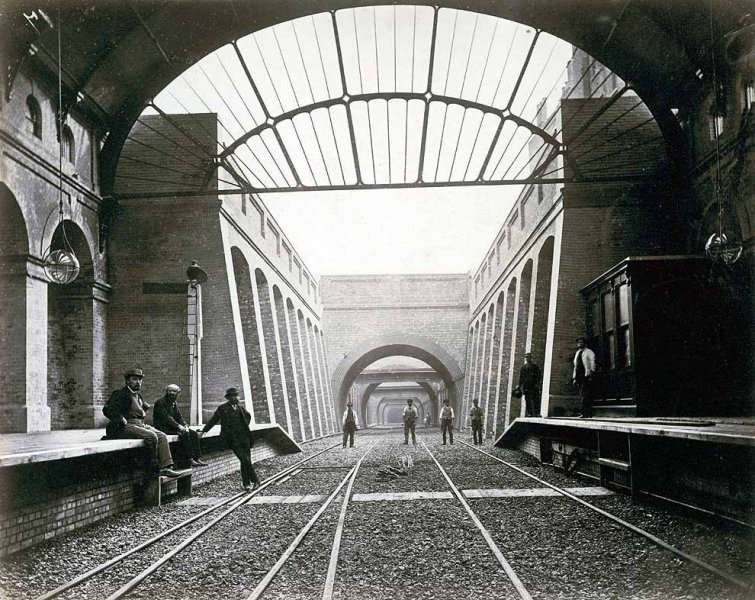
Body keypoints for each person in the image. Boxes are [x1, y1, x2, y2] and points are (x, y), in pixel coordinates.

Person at [103, 368, 181, 477]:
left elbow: (137, 412)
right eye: (134, 379)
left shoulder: (138, 396)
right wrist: (120, 418)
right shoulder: (121, 394)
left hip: (139, 424)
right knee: (151, 436)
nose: (138, 382)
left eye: (140, 380)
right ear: (127, 381)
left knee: (162, 436)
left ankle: (166, 467)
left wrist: (143, 410)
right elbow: (107, 409)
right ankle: (152, 467)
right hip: (125, 426)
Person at [202, 387, 259, 491]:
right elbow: (214, 420)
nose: (236, 398)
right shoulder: (222, 408)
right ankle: (255, 480)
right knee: (244, 459)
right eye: (233, 396)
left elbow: (248, 416)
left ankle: (246, 484)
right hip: (233, 440)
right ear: (228, 398)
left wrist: (245, 425)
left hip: (245, 438)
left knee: (245, 461)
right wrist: (204, 430)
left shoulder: (240, 408)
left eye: (237, 395)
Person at [153, 384, 206, 468]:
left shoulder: (174, 403)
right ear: (166, 392)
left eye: (174, 391)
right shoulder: (160, 403)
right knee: (183, 433)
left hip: (172, 427)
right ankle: (190, 458)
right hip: (163, 428)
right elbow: (167, 418)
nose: (171, 393)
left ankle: (197, 457)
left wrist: (185, 425)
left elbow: (179, 417)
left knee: (194, 434)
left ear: (177, 393)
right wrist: (179, 426)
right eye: (169, 391)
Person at [572, 337, 596, 418]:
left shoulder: (589, 352)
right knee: (582, 394)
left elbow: (592, 363)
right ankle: (586, 412)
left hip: (586, 375)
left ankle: (586, 413)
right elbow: (575, 366)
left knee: (585, 394)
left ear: (585, 343)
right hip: (579, 376)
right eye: (578, 342)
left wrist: (591, 373)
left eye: (581, 342)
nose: (579, 344)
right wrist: (575, 378)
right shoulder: (577, 353)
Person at [518, 352, 542, 417]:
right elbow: (521, 378)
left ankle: (537, 413)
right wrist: (519, 386)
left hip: (534, 386)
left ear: (531, 358)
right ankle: (530, 413)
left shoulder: (535, 367)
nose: (527, 359)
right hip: (526, 387)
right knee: (528, 400)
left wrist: (537, 384)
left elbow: (539, 376)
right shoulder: (523, 368)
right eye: (526, 357)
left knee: (535, 400)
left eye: (528, 357)